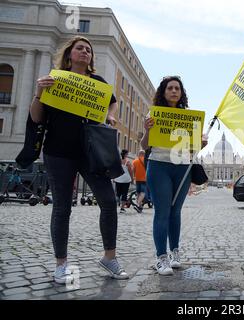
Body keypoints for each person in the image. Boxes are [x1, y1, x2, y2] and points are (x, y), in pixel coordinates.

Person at [30, 36, 128, 283]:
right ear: (69, 54)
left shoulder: (97, 82)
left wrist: (110, 116)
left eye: (89, 50)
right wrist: (39, 93)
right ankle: (61, 264)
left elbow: (112, 103)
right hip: (58, 151)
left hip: (91, 153)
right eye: (80, 48)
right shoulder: (55, 79)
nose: (85, 52)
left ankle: (109, 258)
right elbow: (37, 118)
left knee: (108, 201)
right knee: (62, 208)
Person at [140, 76, 207, 275]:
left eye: (177, 88)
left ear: (181, 93)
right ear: (164, 92)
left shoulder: (189, 117)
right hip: (159, 165)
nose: (174, 91)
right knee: (162, 212)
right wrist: (146, 131)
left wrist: (201, 144)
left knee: (175, 211)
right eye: (170, 88)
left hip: (182, 166)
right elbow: (144, 147)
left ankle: (175, 252)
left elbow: (193, 149)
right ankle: (161, 258)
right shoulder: (153, 114)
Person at [114, 149, 133, 213]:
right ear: (126, 154)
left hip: (118, 179)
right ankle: (122, 208)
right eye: (127, 154)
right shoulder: (127, 162)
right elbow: (131, 171)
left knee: (117, 193)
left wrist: (114, 177)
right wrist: (132, 179)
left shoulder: (118, 161)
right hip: (126, 180)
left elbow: (115, 170)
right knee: (124, 194)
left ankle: (115, 206)